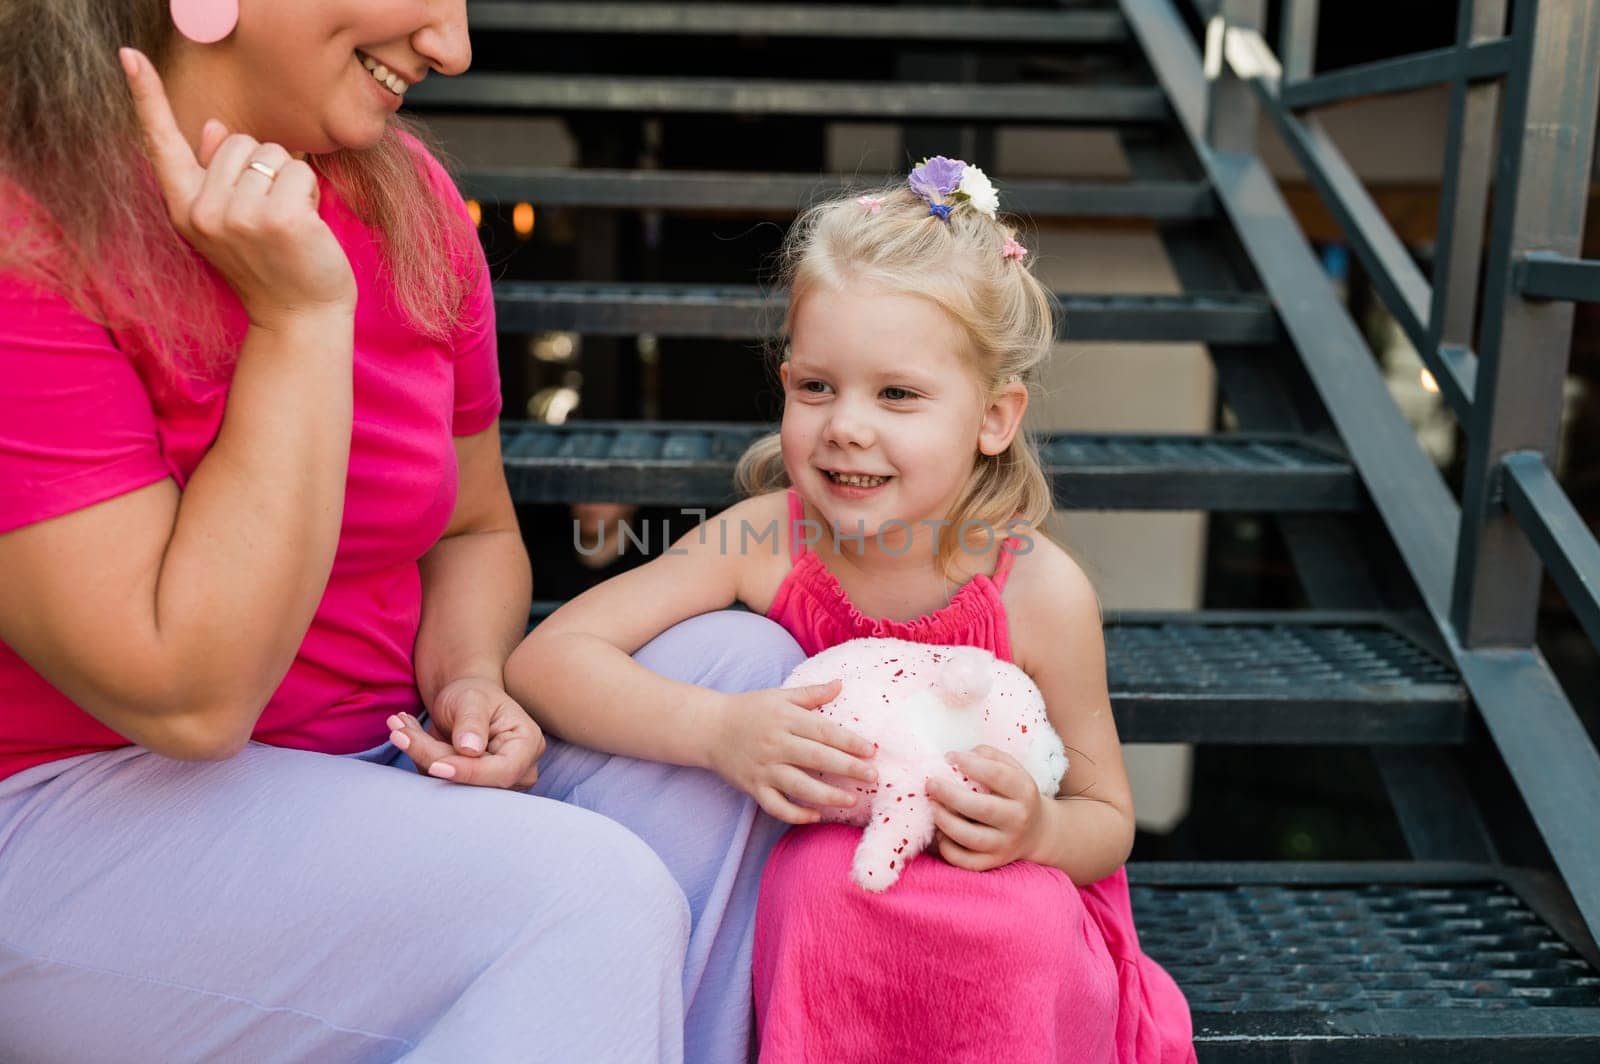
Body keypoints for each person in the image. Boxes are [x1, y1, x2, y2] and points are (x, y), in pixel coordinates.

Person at [0, 3, 804, 1060]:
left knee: (746, 668)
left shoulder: (408, 195)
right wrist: (297, 321)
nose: (452, 46)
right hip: (81, 821)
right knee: (581, 895)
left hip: (381, 761)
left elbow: (472, 529)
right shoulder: (30, 231)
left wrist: (471, 678)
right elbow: (185, 696)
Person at [509, 159, 1197, 1062]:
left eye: (898, 394)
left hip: (999, 901)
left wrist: (1039, 828)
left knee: (1024, 925)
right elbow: (547, 659)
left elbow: (1107, 816)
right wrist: (717, 729)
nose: (846, 427)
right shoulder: (766, 540)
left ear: (994, 417)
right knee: (813, 891)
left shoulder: (1038, 590)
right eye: (816, 387)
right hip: (831, 904)